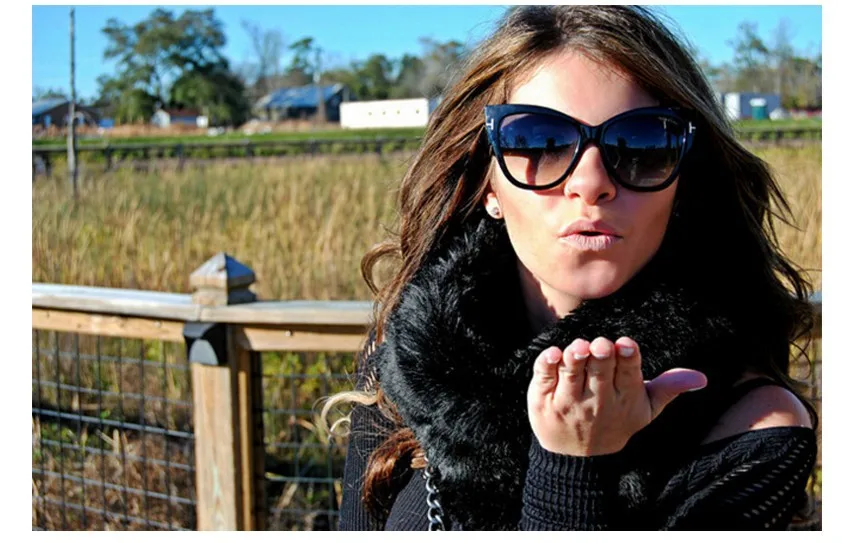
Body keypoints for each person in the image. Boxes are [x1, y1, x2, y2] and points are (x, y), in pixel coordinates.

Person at [322, 5, 818, 531]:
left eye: (642, 144)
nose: (591, 182)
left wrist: (573, 463)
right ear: (488, 184)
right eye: (539, 141)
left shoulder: (754, 429)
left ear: (682, 182)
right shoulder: (413, 354)